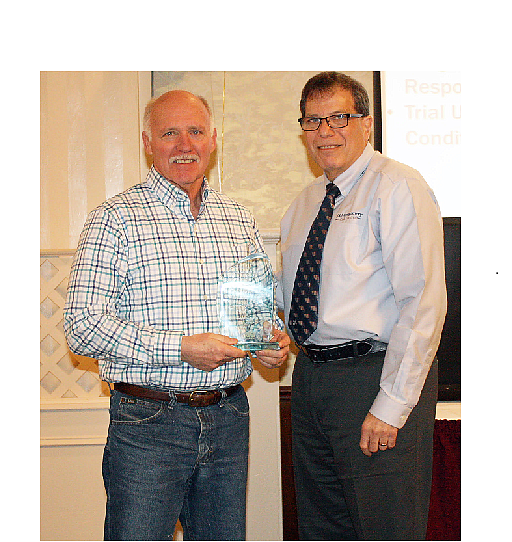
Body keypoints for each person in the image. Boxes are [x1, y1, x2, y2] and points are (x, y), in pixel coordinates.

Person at [64, 90, 290, 541]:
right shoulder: (115, 218)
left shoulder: (238, 218)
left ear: (213, 139)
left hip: (228, 417)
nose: (184, 144)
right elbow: (82, 327)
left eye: (195, 131)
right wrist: (183, 349)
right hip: (148, 424)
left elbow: (253, 313)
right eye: (170, 133)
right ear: (148, 142)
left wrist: (270, 341)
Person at [278, 72, 447, 540]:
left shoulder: (398, 186)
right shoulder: (304, 203)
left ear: (367, 124)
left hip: (372, 378)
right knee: (321, 528)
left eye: (339, 117)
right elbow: (290, 298)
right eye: (313, 121)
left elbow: (423, 304)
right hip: (311, 381)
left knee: (385, 528)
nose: (325, 131)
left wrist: (390, 407)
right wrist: (270, 335)